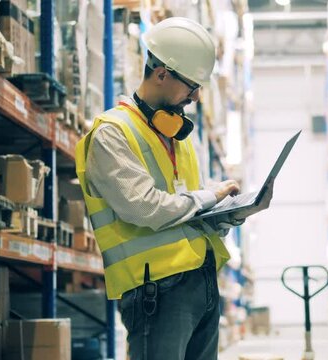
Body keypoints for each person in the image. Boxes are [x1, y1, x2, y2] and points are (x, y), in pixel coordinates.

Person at [75, 17, 244, 360]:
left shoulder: (174, 135)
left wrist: (224, 216)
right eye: (191, 85)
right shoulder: (112, 133)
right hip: (158, 292)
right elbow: (144, 208)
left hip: (200, 283)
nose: (196, 96)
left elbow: (184, 210)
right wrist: (208, 196)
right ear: (162, 73)